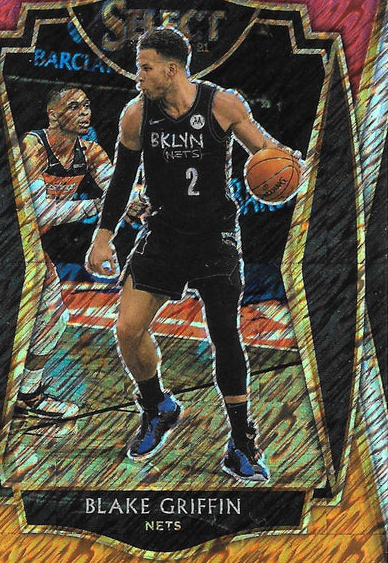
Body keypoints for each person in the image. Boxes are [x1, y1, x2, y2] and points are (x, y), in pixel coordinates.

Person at [87, 28, 299, 481]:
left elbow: (263, 150)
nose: (138, 76)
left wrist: (285, 162)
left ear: (171, 70)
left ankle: (241, 442)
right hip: (163, 234)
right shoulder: (136, 114)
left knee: (224, 333)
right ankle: (157, 406)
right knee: (127, 329)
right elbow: (122, 180)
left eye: (145, 68)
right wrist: (102, 237)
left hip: (214, 235)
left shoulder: (222, 104)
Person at [16, 84, 114, 419]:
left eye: (86, 105)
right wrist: (99, 206)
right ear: (53, 115)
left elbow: (117, 191)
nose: (84, 112)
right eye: (74, 107)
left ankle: (27, 394)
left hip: (29, 246)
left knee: (52, 318)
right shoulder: (33, 146)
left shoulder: (90, 151)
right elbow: (40, 213)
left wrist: (137, 200)